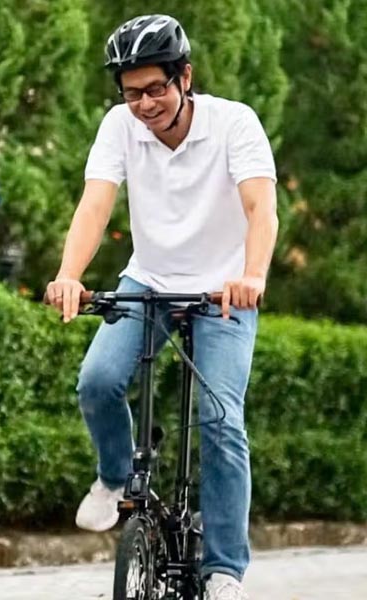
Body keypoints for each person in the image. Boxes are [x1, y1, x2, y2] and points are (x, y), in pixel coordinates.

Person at [45, 15, 278, 600]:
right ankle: (114, 478)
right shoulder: (118, 127)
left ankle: (224, 569)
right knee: (97, 381)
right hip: (147, 281)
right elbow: (95, 206)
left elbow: (261, 209)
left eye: (155, 88)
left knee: (221, 418)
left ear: (185, 78)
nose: (144, 104)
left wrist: (252, 275)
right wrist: (69, 276)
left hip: (224, 291)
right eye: (131, 93)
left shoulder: (235, 124)